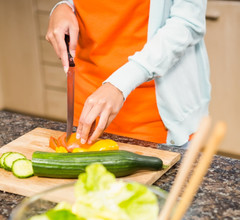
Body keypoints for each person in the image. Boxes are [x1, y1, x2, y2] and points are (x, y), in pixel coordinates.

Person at [46, 0, 211, 147]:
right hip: (87, 109)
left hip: (157, 120)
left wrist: (120, 84)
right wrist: (63, 6)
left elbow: (187, 23)